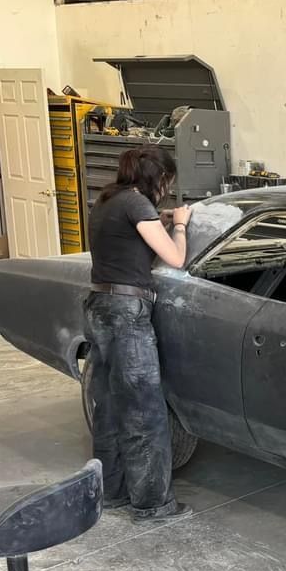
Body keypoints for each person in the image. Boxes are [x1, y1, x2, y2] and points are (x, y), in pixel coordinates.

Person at [85, 145, 192, 520]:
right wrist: (180, 224)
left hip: (99, 306)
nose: (168, 189)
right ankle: (152, 504)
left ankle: (111, 492)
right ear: (159, 178)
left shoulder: (107, 200)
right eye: (168, 181)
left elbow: (127, 241)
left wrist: (159, 219)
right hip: (127, 313)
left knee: (109, 405)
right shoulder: (137, 204)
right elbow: (176, 257)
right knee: (143, 410)